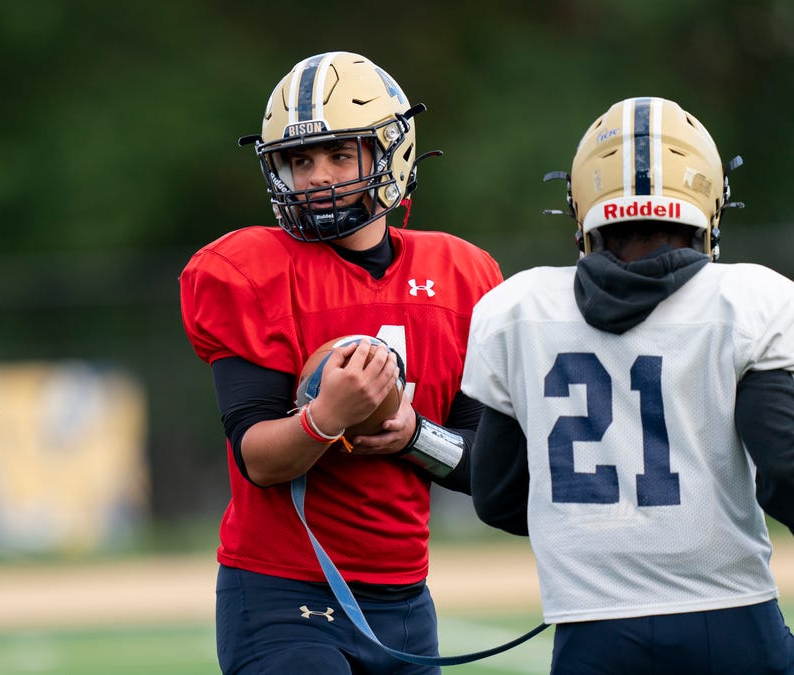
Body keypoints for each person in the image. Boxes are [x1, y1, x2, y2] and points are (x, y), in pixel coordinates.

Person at [179, 51, 503, 674]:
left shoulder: (462, 275)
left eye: (339, 154)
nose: (317, 177)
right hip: (283, 592)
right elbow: (257, 458)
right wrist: (325, 419)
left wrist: (412, 436)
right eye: (299, 160)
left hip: (405, 596)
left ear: (390, 154)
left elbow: (484, 463)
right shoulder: (250, 269)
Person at [462, 96, 794, 674]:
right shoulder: (748, 300)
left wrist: (599, 529)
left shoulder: (519, 308)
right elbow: (785, 472)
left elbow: (497, 496)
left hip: (593, 631)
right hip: (731, 619)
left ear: (582, 205)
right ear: (710, 201)